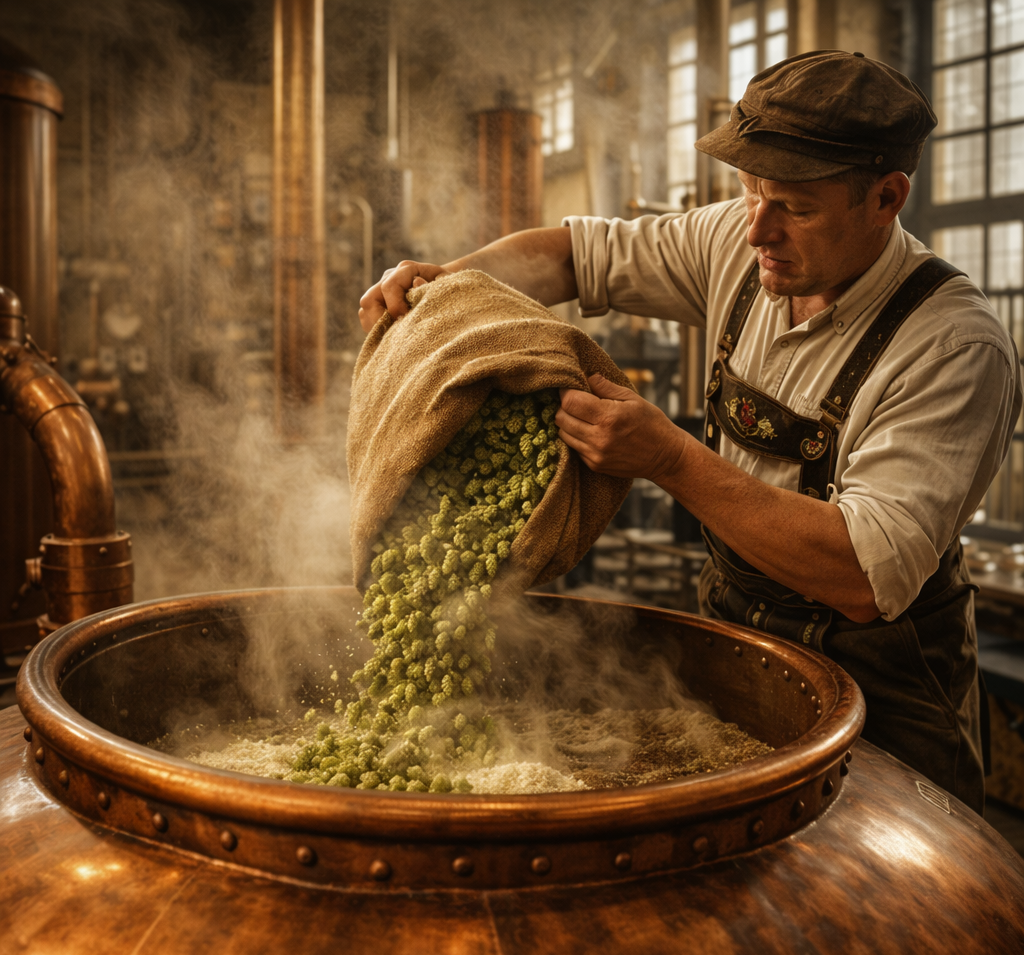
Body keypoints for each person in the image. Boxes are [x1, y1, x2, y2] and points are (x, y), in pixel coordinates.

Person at [358, 51, 1022, 813]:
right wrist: (451, 289)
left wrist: (670, 459)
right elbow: (576, 255)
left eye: (796, 209)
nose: (758, 230)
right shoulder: (738, 243)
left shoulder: (952, 347)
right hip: (741, 642)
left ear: (886, 197)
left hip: (888, 688)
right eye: (749, 193)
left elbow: (863, 577)